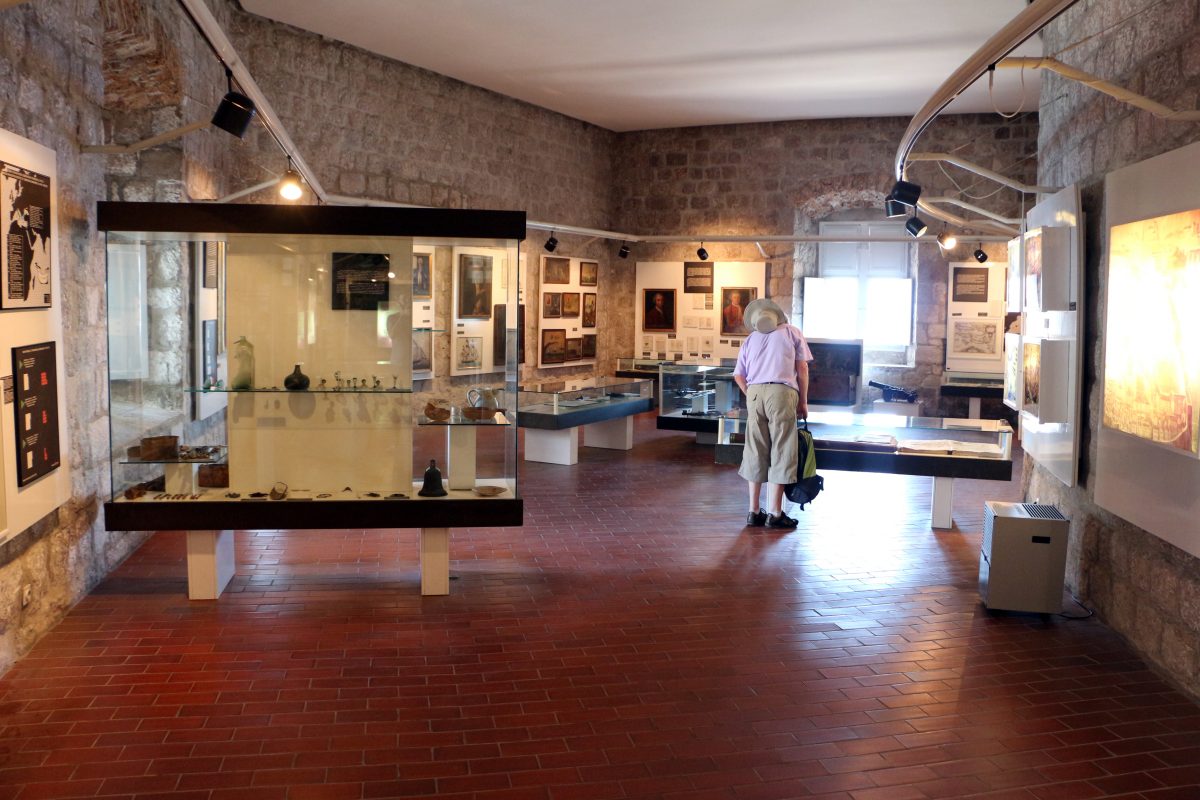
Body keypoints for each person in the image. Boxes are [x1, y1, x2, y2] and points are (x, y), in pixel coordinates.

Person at [733, 298, 812, 529]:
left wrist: (750, 392)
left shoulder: (751, 338)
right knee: (782, 448)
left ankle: (753, 511)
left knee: (755, 449)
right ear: (778, 316)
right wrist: (804, 401)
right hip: (781, 392)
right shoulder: (791, 332)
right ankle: (776, 513)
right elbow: (803, 367)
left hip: (755, 393)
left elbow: (738, 375)